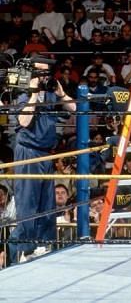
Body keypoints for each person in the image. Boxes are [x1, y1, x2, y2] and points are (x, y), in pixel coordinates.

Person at [7, 59, 76, 264]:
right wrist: (34, 94)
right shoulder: (21, 94)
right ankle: (23, 250)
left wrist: (62, 93)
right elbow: (24, 122)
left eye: (46, 73)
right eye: (39, 73)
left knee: (47, 202)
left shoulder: (52, 92)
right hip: (28, 152)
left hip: (47, 153)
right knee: (27, 203)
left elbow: (74, 108)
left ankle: (43, 245)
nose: (44, 77)